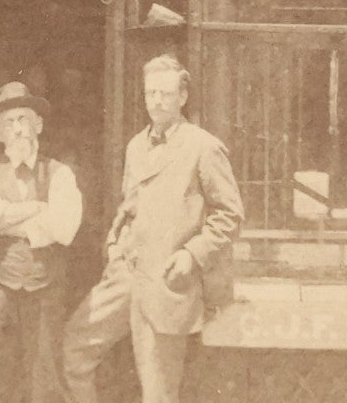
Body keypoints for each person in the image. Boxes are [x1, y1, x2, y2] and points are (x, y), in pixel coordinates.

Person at [60, 54, 243, 403]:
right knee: (74, 348)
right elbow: (129, 206)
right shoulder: (136, 146)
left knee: (158, 393)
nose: (156, 102)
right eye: (150, 94)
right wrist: (114, 243)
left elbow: (230, 215)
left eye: (165, 94)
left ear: (183, 98)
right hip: (125, 276)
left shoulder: (203, 147)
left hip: (165, 283)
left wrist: (192, 254)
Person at [0, 81, 83, 403]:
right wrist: (37, 210)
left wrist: (7, 219)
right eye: (8, 123)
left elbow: (65, 228)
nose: (17, 130)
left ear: (38, 125)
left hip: (44, 292)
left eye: (23, 120)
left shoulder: (59, 174)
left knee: (46, 384)